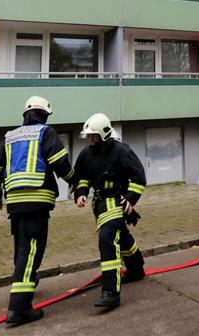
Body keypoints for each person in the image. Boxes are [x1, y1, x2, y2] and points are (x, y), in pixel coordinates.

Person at [0, 96, 74, 327]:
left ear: (25, 114)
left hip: (15, 202)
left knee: (22, 247)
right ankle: (19, 308)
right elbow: (59, 162)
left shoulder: (10, 136)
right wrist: (76, 182)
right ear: (44, 115)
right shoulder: (46, 132)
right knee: (32, 248)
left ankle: (27, 284)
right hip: (37, 199)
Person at [73, 113, 146, 309]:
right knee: (121, 236)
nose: (90, 139)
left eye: (93, 135)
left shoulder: (121, 151)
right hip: (99, 203)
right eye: (88, 135)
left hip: (116, 201)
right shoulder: (86, 155)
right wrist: (81, 193)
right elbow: (81, 177)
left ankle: (110, 293)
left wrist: (131, 198)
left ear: (104, 134)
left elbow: (139, 176)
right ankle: (136, 269)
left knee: (107, 239)